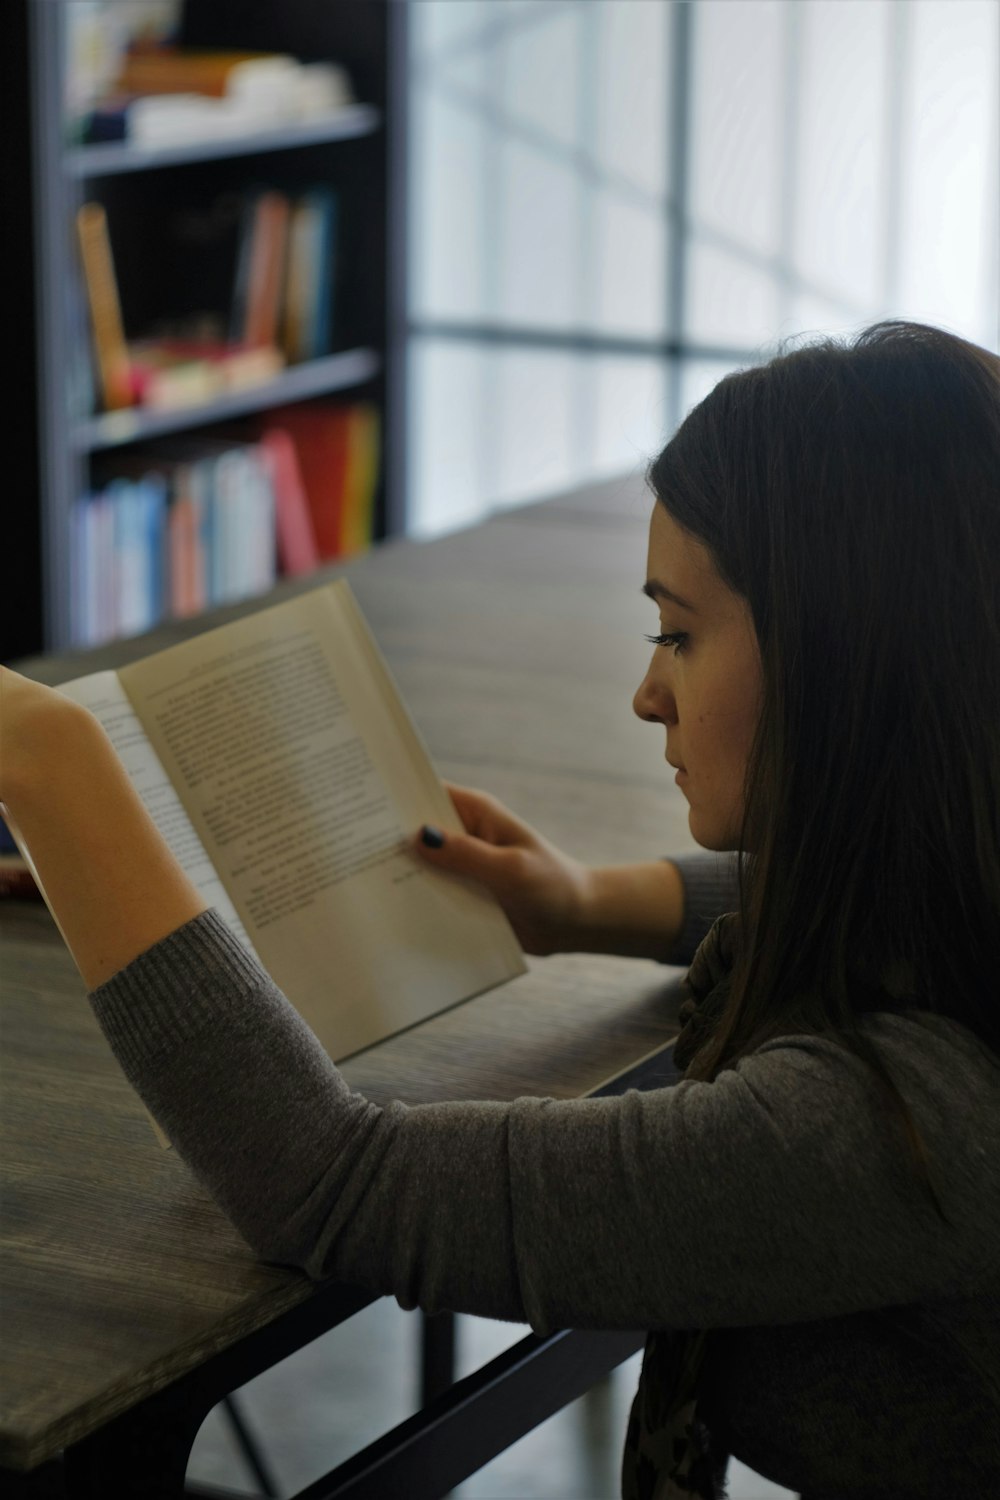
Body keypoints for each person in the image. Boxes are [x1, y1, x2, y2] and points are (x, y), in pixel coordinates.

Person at [1, 320, 998, 1499]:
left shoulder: (892, 1129)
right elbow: (854, 899)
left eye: (678, 633)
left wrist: (57, 768)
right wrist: (580, 902)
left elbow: (318, 1179)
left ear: (850, 661)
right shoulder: (959, 913)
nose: (645, 693)